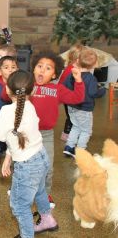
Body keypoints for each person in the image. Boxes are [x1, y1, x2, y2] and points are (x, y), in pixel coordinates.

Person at [0, 70, 59, 237]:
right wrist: (8, 157)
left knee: (20, 206)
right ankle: (47, 220)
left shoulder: (7, 112)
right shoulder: (29, 107)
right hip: (41, 157)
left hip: (27, 166)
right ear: (34, 90)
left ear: (7, 89)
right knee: (40, 191)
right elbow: (17, 138)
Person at [30, 51, 84, 204]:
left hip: (46, 134)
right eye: (39, 66)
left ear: (54, 75)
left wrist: (78, 80)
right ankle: (19, 187)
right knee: (20, 164)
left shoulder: (57, 89)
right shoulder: (26, 85)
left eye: (48, 68)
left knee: (47, 167)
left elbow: (77, 98)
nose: (42, 70)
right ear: (33, 69)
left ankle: (45, 194)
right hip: (25, 134)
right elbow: (6, 95)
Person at [62, 48, 106, 157]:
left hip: (71, 107)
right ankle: (80, 151)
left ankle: (69, 147)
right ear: (93, 65)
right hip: (84, 109)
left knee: (76, 127)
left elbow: (65, 86)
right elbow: (92, 93)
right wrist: (102, 90)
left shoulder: (73, 74)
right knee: (86, 131)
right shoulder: (91, 78)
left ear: (78, 60)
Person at [58, 43, 84, 141]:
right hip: (68, 97)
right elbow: (64, 85)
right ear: (78, 59)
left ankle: (72, 133)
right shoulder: (71, 70)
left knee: (74, 116)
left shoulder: (74, 68)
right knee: (72, 117)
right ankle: (66, 134)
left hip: (71, 96)